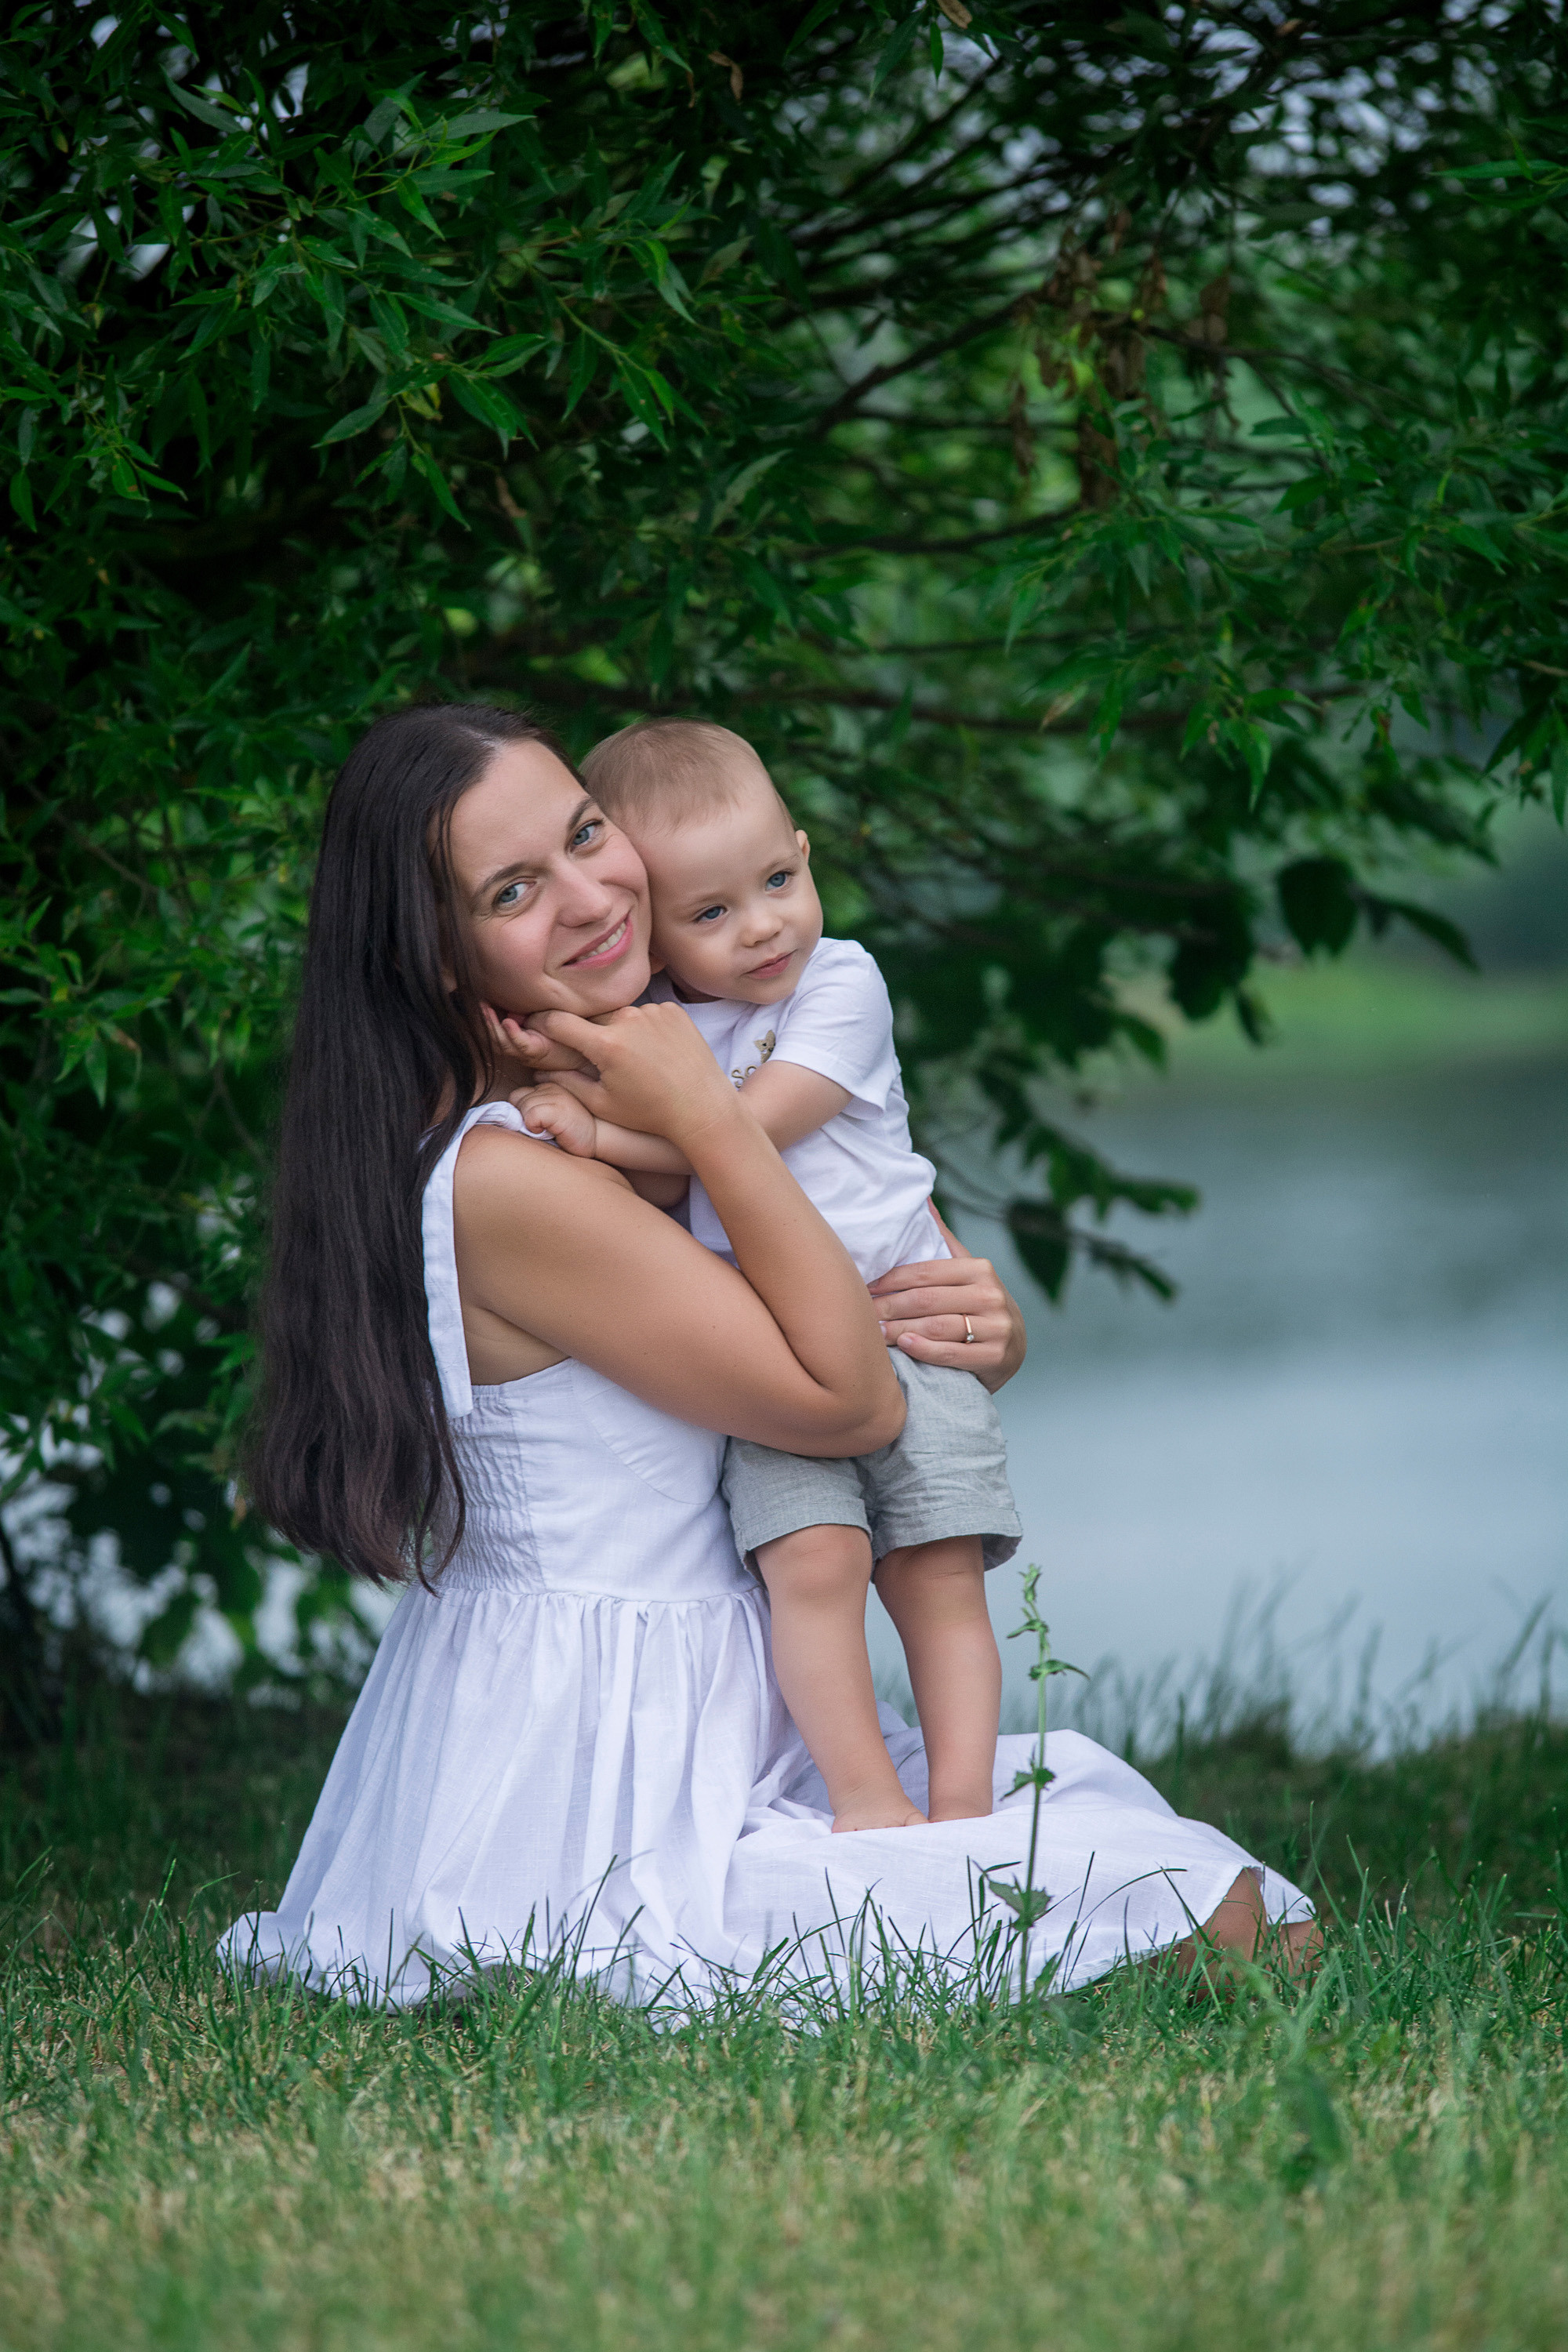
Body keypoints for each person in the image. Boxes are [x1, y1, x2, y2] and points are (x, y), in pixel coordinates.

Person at [219, 701, 1317, 2009]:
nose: (590, 896)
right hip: (601, 1763)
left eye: (586, 834)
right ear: (441, 960)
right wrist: (710, 1122)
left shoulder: (671, 1061)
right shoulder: (512, 1177)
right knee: (1216, 1922)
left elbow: (868, 1274)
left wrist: (973, 1327)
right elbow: (846, 1403)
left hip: (734, 1701)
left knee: (1170, 1878)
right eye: (515, 890)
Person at [510, 717, 1018, 1836]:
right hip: (775, 1352)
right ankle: (867, 1802)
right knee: (813, 1566)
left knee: (936, 1573)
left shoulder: (841, 983)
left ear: (803, 852)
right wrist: (588, 1096)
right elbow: (685, 1154)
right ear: (652, 931)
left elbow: (749, 1130)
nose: (761, 927)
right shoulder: (663, 1028)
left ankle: (965, 1813)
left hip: (909, 1331)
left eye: (778, 881)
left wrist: (604, 1135)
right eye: (709, 913)